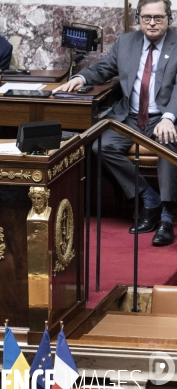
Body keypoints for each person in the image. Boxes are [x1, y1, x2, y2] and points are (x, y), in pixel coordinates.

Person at [57, 0, 177, 246]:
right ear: (138, 18)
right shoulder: (126, 43)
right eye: (146, 18)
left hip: (163, 118)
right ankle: (149, 198)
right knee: (99, 146)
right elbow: (104, 68)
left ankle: (166, 217)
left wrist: (168, 117)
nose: (152, 23)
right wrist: (80, 77)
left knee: (167, 146)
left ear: (169, 18)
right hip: (130, 118)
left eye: (158, 17)